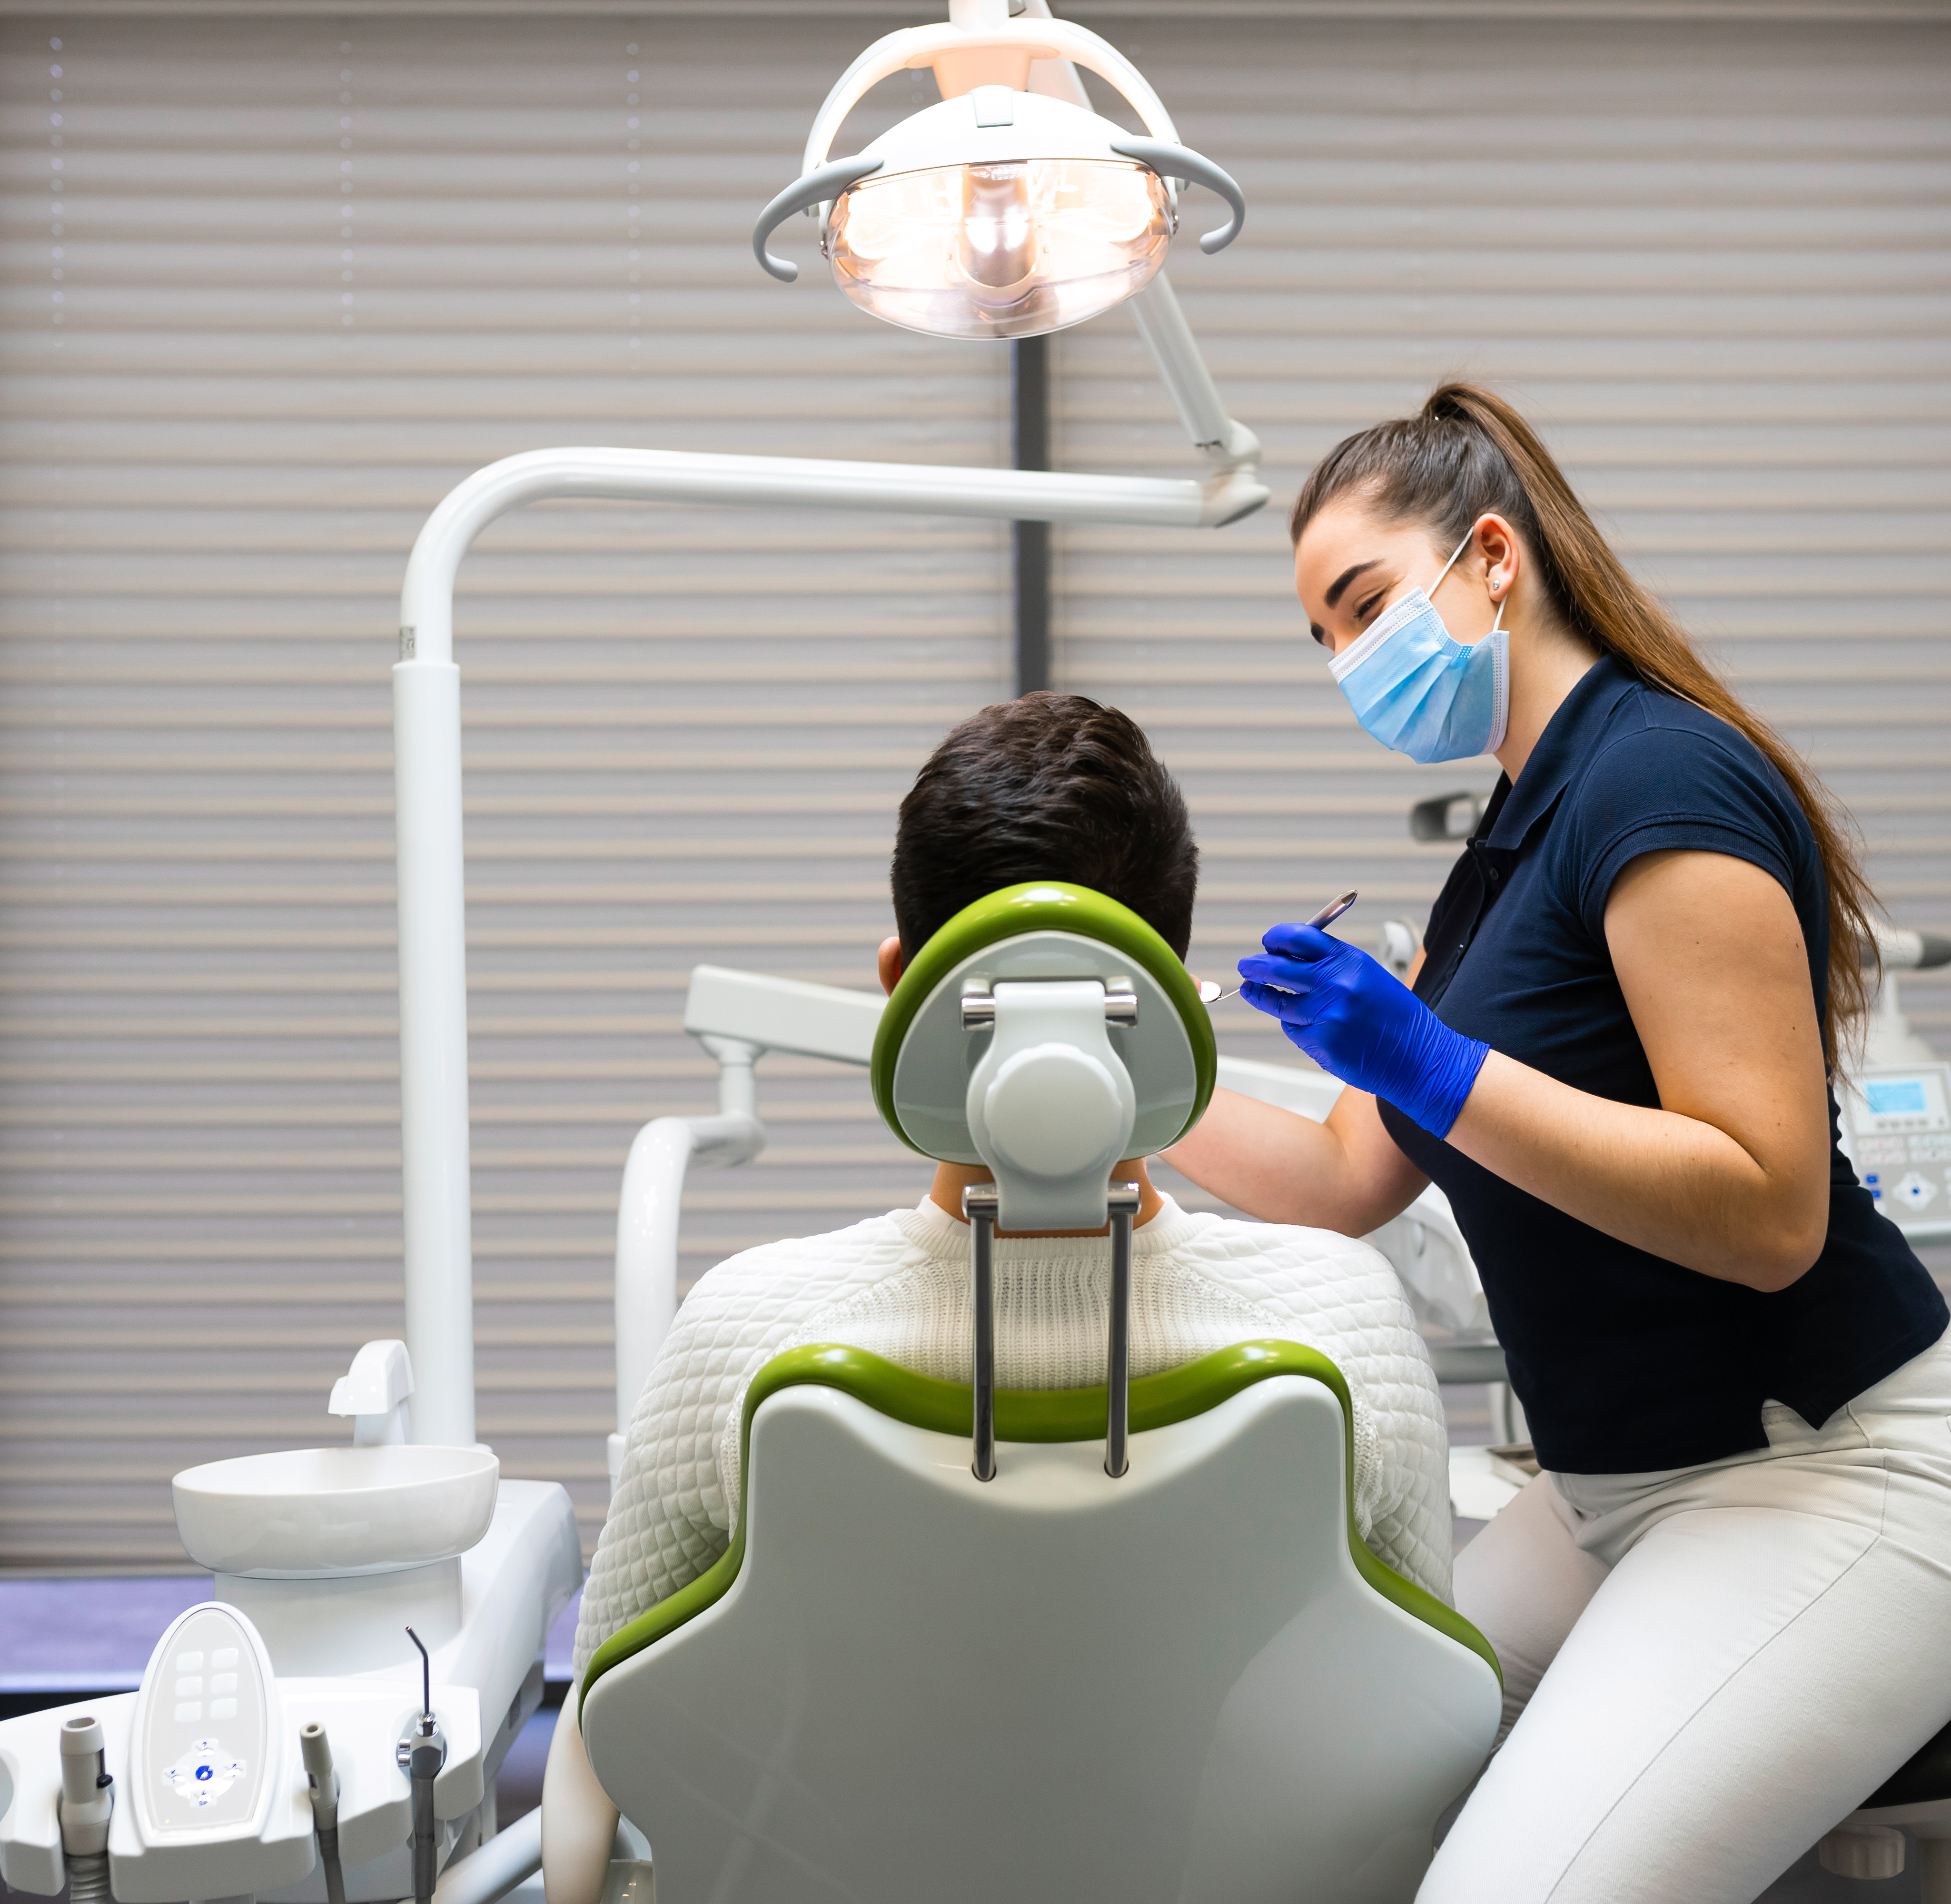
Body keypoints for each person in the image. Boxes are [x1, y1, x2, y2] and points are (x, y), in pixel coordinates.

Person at [1165, 383, 1951, 1904]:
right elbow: (1341, 1182)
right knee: (1263, 1802)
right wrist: (1137, 1079)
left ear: (1493, 557)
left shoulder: (1659, 780)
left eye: (1365, 605)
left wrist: (1430, 1059)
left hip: (1830, 1482)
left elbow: (1769, 1212)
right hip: (1612, 1500)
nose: (1350, 662)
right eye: (1322, 637)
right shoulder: (1496, 856)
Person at [541, 693, 1456, 1904]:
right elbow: (1422, 1728)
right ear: (1172, 1003)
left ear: (897, 988)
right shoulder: (1343, 1331)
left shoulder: (746, 1332)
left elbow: (602, 1742)